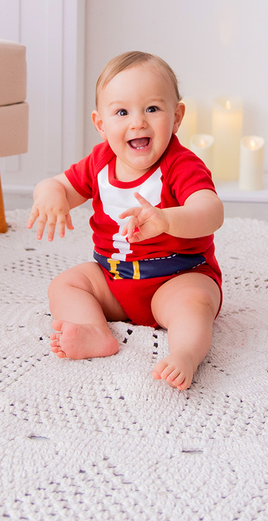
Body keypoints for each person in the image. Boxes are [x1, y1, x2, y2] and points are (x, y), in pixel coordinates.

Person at [28, 51, 224, 390]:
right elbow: (60, 184)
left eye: (152, 109)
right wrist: (49, 193)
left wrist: (167, 220)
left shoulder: (180, 165)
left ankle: (186, 354)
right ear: (101, 124)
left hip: (177, 277)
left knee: (194, 305)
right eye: (122, 112)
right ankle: (94, 332)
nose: (138, 122)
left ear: (176, 117)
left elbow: (211, 211)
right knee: (66, 284)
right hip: (114, 279)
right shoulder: (99, 161)